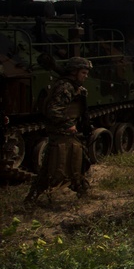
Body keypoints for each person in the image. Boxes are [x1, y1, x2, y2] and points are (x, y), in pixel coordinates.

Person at [24, 57, 93, 204]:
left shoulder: (73, 86)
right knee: (59, 166)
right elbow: (53, 110)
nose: (85, 76)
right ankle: (33, 198)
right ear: (74, 72)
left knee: (79, 161)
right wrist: (68, 124)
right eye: (83, 72)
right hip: (62, 132)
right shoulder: (65, 87)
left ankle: (82, 190)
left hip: (66, 133)